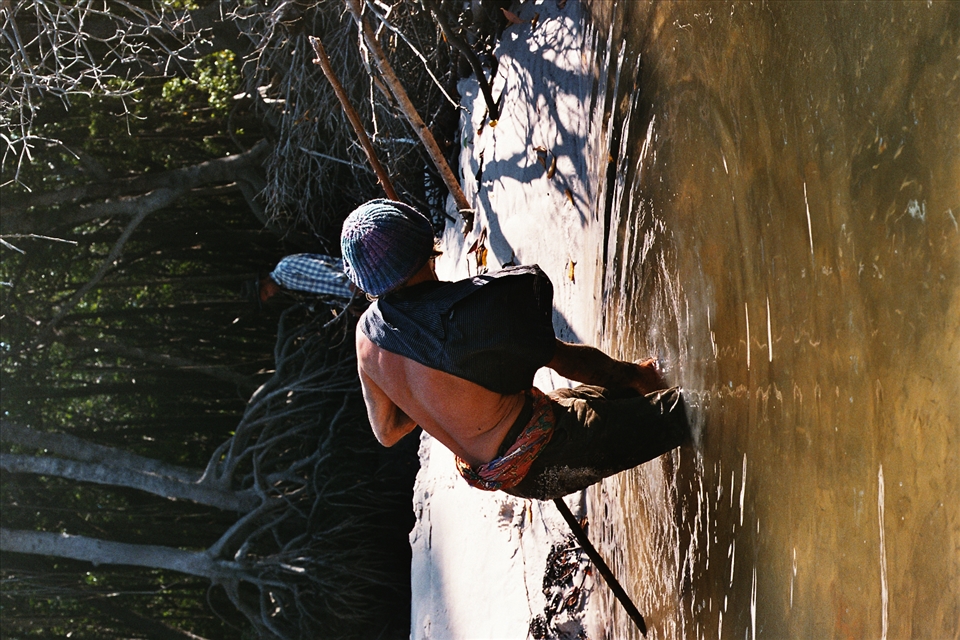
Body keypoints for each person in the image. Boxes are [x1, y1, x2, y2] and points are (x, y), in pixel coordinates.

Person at [341, 199, 689, 501]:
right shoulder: (461, 322)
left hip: (511, 476)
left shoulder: (366, 339)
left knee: (637, 401)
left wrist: (436, 398)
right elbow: (569, 361)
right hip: (552, 452)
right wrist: (637, 375)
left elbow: (387, 432)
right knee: (704, 410)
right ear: (426, 250)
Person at [258, 253, 355, 303]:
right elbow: (322, 295)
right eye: (268, 296)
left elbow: (320, 269)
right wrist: (347, 305)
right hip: (353, 291)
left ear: (264, 281)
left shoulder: (284, 268)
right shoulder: (285, 287)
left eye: (266, 291)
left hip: (354, 277)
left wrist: (348, 282)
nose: (271, 294)